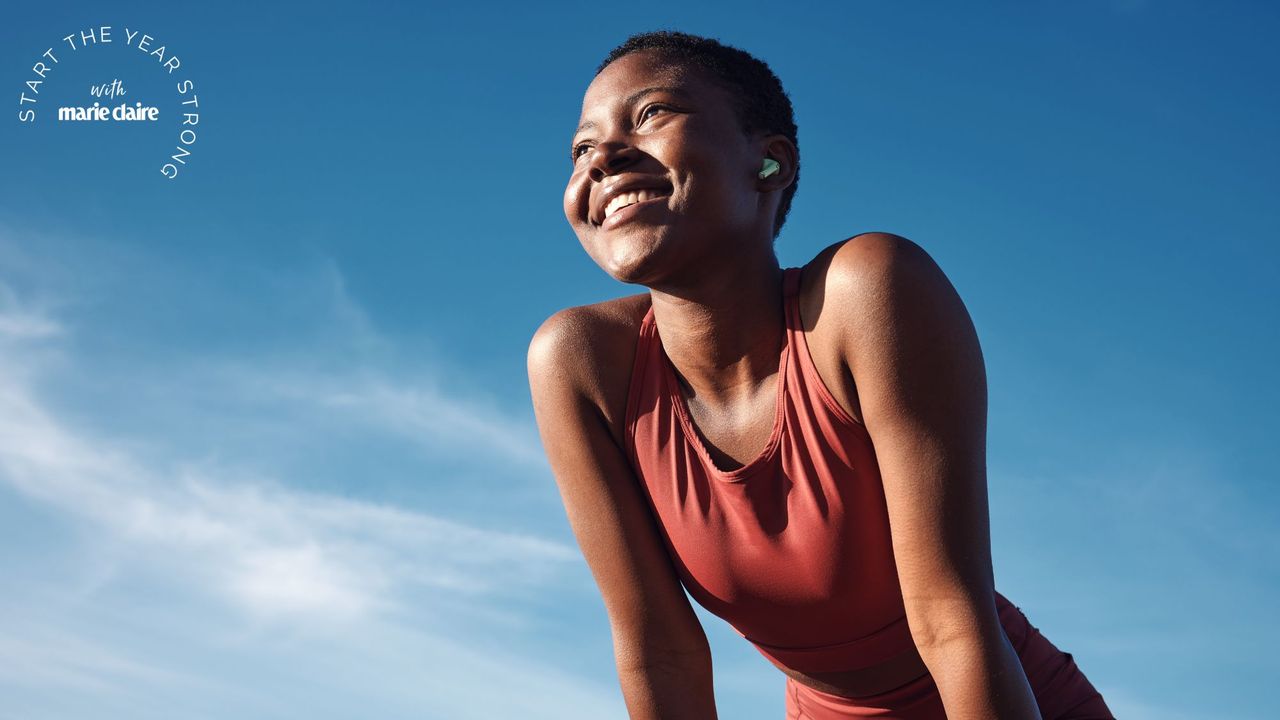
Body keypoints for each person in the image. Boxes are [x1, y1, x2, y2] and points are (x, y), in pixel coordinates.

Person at [527, 30, 1114, 720]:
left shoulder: (866, 294)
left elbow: (950, 621)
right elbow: (661, 652)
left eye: (652, 113)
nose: (604, 158)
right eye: (581, 148)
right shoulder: (581, 364)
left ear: (770, 164)